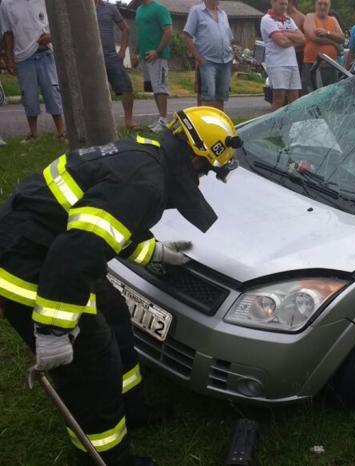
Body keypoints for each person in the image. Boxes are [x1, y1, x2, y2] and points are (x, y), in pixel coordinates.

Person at [0, 106, 241, 465]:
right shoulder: (144, 182)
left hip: (50, 247)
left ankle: (131, 408)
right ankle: (106, 455)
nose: (203, 178)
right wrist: (52, 331)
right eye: (207, 170)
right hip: (32, 265)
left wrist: (156, 253)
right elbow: (75, 252)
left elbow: (103, 227)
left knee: (113, 313)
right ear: (196, 159)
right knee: (90, 366)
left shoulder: (145, 159)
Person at [0, 0, 65, 142]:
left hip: (46, 52)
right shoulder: (6, 3)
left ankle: (61, 133)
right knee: (28, 96)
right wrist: (10, 58)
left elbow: (58, 20)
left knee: (53, 92)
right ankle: (34, 134)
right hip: (23, 56)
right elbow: (8, 33)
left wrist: (51, 36)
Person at [182, 0, 234, 111]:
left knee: (221, 97)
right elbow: (186, 36)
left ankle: (218, 126)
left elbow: (229, 36)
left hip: (225, 61)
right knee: (208, 97)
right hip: (207, 61)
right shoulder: (196, 11)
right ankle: (205, 126)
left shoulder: (223, 13)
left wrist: (232, 54)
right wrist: (198, 57)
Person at [95, 0, 136, 130]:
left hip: (111, 56)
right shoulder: (82, 9)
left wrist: (123, 50)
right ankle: (95, 125)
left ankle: (129, 122)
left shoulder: (110, 8)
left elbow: (125, 28)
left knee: (126, 87)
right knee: (91, 92)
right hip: (90, 59)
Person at [134, 0, 172, 132]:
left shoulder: (159, 9)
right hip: (145, 57)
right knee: (154, 88)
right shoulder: (139, 10)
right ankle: (160, 119)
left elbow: (168, 31)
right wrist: (136, 52)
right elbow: (141, 32)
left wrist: (158, 51)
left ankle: (164, 120)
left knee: (161, 88)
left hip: (158, 56)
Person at [261, 0, 305, 110]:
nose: (284, 7)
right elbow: (282, 43)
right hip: (277, 64)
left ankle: (292, 124)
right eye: (281, 4)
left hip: (292, 63)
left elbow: (303, 39)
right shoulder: (267, 19)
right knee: (278, 98)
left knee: (295, 98)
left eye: (286, 4)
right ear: (273, 2)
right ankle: (272, 125)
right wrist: (294, 39)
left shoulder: (288, 19)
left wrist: (285, 34)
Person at [302, 0, 344, 92]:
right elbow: (313, 36)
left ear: (329, 6)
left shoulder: (333, 20)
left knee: (331, 96)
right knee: (312, 96)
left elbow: (342, 38)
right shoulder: (310, 17)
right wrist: (333, 43)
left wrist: (327, 33)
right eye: (320, 3)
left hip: (331, 66)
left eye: (325, 4)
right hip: (313, 65)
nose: (322, 6)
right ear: (315, 5)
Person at [287, 0, 306, 91]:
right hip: (282, 56)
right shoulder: (279, 16)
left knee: (296, 87)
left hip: (298, 55)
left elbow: (306, 39)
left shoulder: (301, 17)